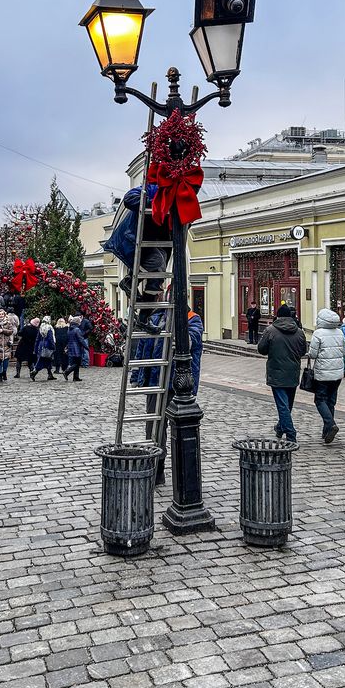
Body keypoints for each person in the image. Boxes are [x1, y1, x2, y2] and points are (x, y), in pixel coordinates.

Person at [145, 307, 204, 484]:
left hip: (179, 384)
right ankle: (157, 468)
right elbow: (146, 347)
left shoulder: (192, 318)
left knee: (181, 426)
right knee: (154, 427)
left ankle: (183, 472)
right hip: (156, 380)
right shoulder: (157, 317)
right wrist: (139, 376)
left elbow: (193, 339)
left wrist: (180, 335)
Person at [103, 183, 171, 334]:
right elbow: (129, 198)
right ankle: (129, 281)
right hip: (137, 239)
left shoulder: (177, 198)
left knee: (157, 278)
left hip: (157, 240)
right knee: (157, 262)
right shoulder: (153, 188)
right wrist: (154, 203)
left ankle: (143, 318)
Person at [257, 304, 307, 447]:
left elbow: (261, 349)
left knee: (283, 405)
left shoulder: (271, 330)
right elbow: (303, 351)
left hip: (277, 372)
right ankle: (280, 428)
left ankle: (290, 433)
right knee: (287, 404)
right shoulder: (299, 332)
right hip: (293, 372)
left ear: (278, 316)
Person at [309, 308, 345, 444]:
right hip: (337, 373)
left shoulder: (318, 333)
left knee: (320, 400)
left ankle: (330, 424)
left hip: (323, 373)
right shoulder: (340, 332)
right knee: (330, 401)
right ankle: (326, 432)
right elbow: (344, 351)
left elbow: (313, 354)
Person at [31, 316, 56, 381]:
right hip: (47, 345)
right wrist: (53, 347)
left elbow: (37, 339)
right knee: (43, 360)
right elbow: (50, 339)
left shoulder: (41, 328)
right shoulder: (49, 328)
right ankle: (34, 372)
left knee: (47, 360)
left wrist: (36, 348)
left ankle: (50, 374)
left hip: (41, 345)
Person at [63, 316, 88, 382]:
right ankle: (67, 372)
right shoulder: (77, 330)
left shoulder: (69, 329)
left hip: (71, 347)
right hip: (76, 348)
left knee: (75, 362)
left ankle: (76, 377)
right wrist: (86, 347)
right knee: (77, 363)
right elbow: (81, 340)